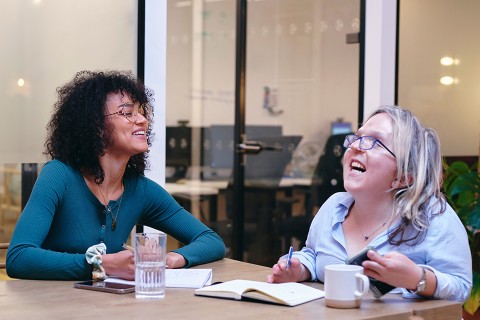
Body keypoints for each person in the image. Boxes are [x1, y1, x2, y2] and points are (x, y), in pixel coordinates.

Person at [6, 70, 226, 280]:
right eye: (128, 113)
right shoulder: (59, 175)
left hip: (109, 306)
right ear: (95, 126)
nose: (142, 120)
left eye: (141, 112)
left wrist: (172, 259)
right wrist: (102, 264)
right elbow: (19, 257)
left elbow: (210, 240)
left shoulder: (141, 190)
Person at [267, 105, 472, 303]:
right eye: (357, 137)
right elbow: (313, 255)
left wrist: (417, 279)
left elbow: (461, 288)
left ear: (402, 176)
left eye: (374, 141)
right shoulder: (334, 207)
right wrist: (299, 268)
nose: (355, 145)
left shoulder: (433, 216)